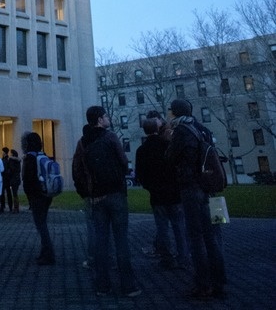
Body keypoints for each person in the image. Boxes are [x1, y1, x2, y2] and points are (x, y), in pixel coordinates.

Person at [75, 106, 141, 297]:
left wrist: (85, 192)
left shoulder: (82, 142)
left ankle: (102, 285)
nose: (108, 118)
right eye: (105, 116)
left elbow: (77, 169)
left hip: (96, 197)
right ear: (99, 119)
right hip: (116, 195)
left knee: (100, 242)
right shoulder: (110, 137)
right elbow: (123, 162)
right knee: (121, 240)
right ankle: (128, 285)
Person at [166, 99, 227, 300]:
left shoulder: (181, 132)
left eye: (169, 111)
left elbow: (170, 159)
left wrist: (169, 141)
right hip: (211, 189)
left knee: (196, 237)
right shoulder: (202, 128)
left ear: (174, 113)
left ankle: (203, 285)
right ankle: (219, 283)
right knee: (213, 238)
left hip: (192, 188)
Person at [135, 118, 190, 269]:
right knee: (179, 227)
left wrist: (151, 187)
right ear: (158, 128)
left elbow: (140, 175)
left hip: (157, 196)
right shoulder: (167, 145)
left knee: (162, 228)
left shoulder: (142, 150)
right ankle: (183, 257)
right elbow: (177, 167)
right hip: (173, 193)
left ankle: (167, 258)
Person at [21, 131, 55, 264]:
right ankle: (44, 251)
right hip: (46, 194)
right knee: (43, 223)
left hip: (36, 196)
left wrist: (30, 197)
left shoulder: (29, 159)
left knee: (41, 225)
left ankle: (48, 254)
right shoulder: (43, 155)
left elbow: (27, 179)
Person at [7, 148, 22, 213]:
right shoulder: (18, 161)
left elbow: (11, 170)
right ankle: (16, 207)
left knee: (14, 193)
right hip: (17, 178)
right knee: (15, 193)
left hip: (13, 179)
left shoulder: (11, 161)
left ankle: (16, 208)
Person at [0, 147, 11, 211]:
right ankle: (4, 205)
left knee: (5, 192)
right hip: (5, 178)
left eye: (2, 151)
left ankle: (4, 206)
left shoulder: (6, 159)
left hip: (5, 177)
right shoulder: (5, 159)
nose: (2, 152)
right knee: (5, 192)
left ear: (4, 152)